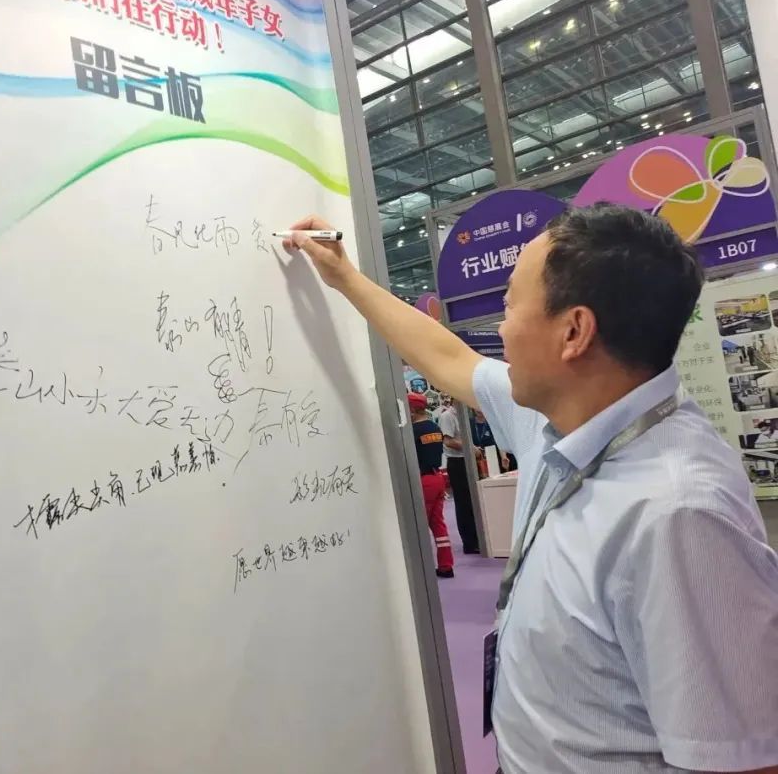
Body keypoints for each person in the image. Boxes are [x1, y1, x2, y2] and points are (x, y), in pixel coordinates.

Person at [283, 204, 778, 774]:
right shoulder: (562, 415)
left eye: (510, 305)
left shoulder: (678, 513)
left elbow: (744, 758)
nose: (501, 328)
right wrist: (345, 276)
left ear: (574, 332)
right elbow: (449, 358)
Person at [408, 392, 454, 578]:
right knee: (438, 524)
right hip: (438, 478)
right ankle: (446, 565)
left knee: (419, 525)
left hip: (423, 480)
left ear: (412, 409)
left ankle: (422, 571)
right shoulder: (434, 428)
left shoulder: (412, 432)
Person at [437, 399, 482, 553]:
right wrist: (470, 448)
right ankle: (469, 543)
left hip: (468, 460)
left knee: (473, 501)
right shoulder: (447, 416)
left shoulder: (463, 416)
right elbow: (448, 441)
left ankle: (478, 538)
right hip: (457, 463)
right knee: (464, 503)